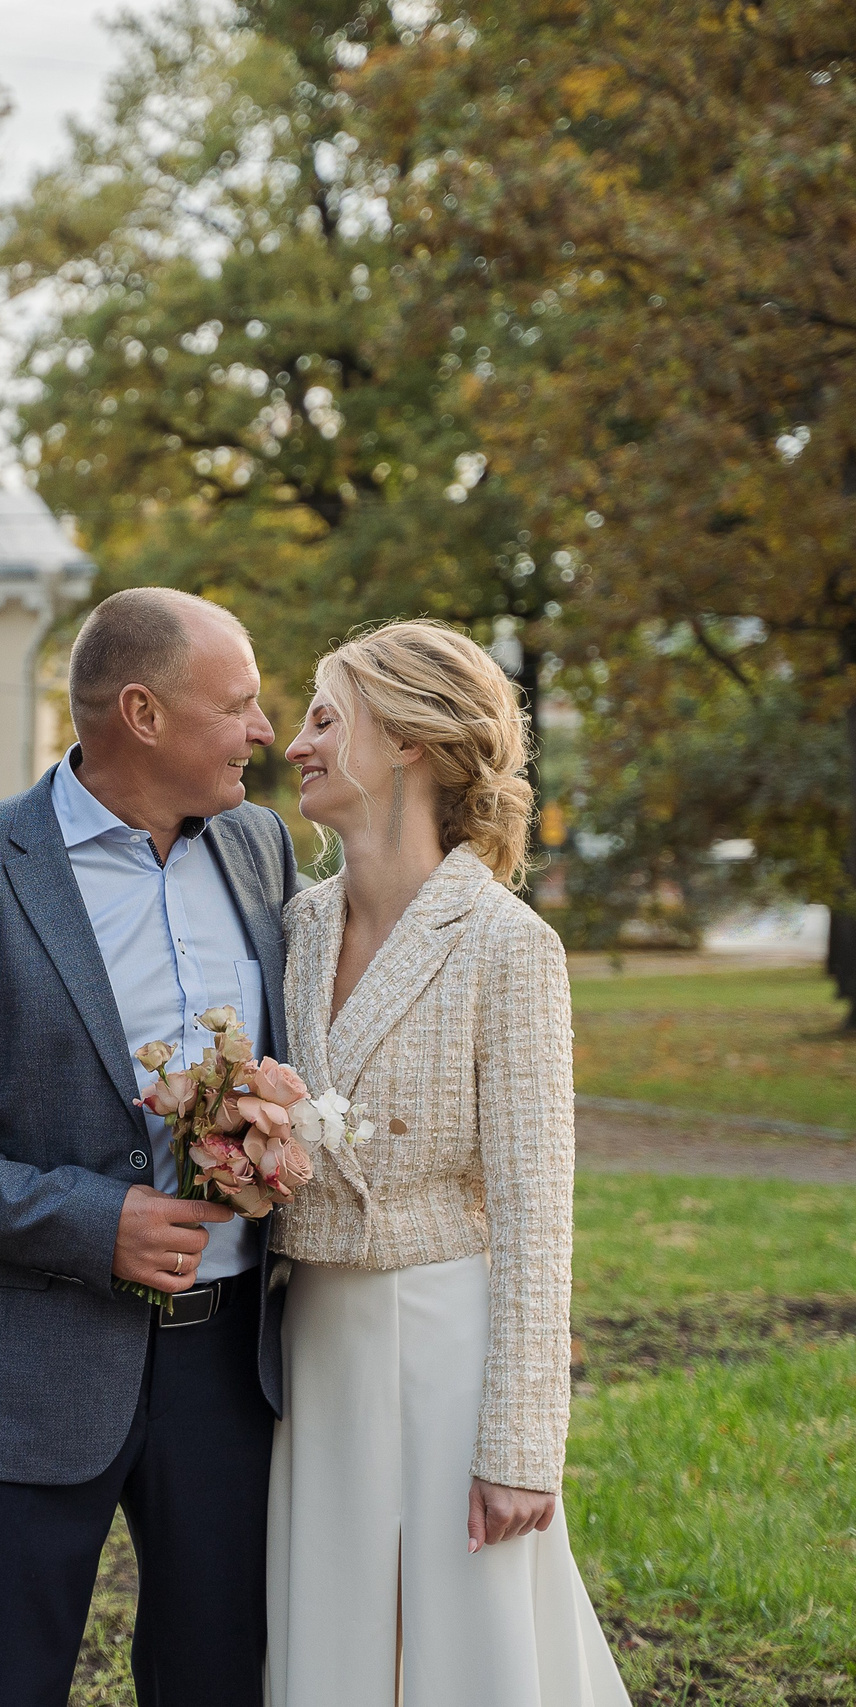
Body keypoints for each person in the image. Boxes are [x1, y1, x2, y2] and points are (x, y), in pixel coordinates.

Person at [0, 586, 300, 1707]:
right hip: (17, 1368)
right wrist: (98, 1226)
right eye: (237, 704)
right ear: (141, 712)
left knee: (219, 1683)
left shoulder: (258, 849)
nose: (263, 732)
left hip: (229, 1369)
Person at [268, 620, 629, 1706]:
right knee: (325, 1627)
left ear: (411, 739)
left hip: (447, 1350)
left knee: (467, 1650)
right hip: (311, 1343)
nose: (293, 744)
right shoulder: (293, 926)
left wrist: (521, 1441)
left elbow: (534, 1210)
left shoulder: (507, 945)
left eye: (324, 718)